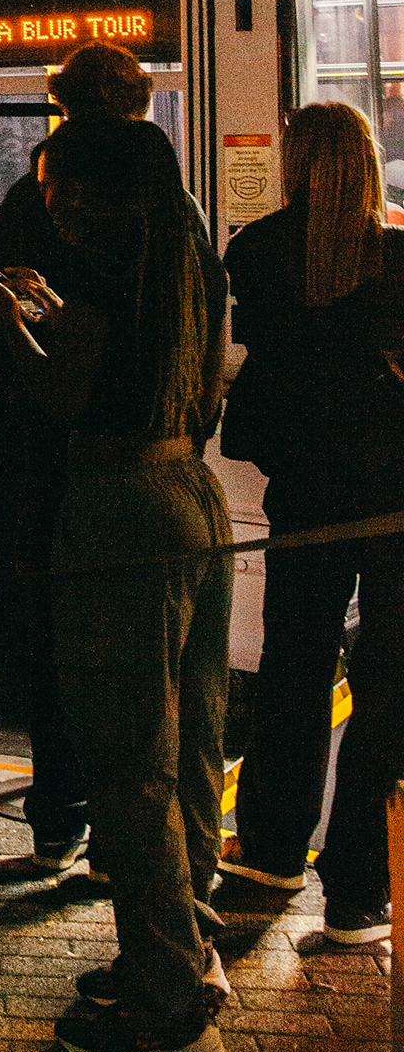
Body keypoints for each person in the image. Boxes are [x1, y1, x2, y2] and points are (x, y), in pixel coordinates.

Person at [0, 114, 231, 1052]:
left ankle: (164, 1004)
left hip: (119, 508)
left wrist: (9, 322)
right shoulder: (189, 263)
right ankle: (188, 948)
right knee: (195, 744)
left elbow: (59, 396)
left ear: (89, 193)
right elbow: (206, 398)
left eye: (58, 186)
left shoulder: (93, 272)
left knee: (130, 763)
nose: (52, 204)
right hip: (192, 494)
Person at [215, 104, 404, 946]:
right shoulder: (396, 254)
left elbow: (262, 355)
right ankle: (360, 890)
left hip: (301, 496)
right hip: (393, 502)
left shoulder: (253, 252)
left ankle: (269, 852)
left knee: (293, 668)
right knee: (385, 689)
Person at [0, 40, 160, 873]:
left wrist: (24, 377)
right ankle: (120, 835)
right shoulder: (157, 204)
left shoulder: (24, 197)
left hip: (44, 445)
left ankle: (60, 813)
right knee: (135, 660)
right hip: (128, 449)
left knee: (56, 637)